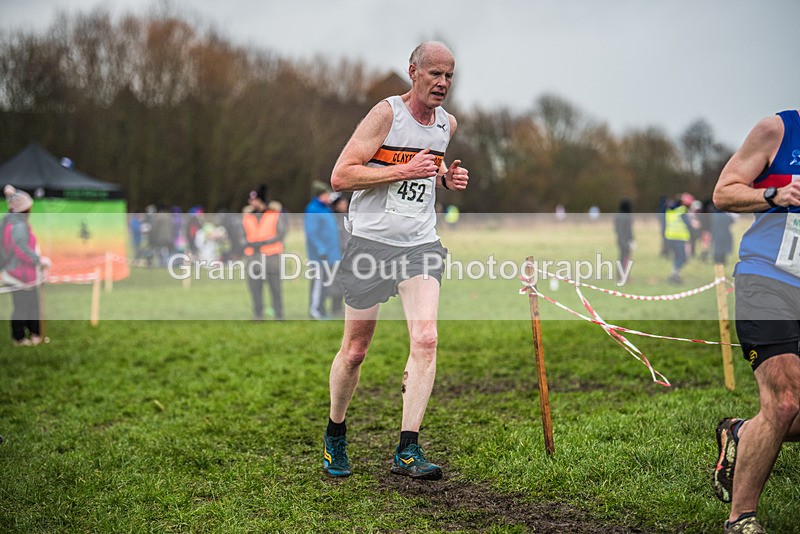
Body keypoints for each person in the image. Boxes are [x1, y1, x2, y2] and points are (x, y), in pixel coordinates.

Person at [321, 41, 469, 480]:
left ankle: (408, 449)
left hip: (419, 246)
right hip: (369, 245)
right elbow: (342, 174)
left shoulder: (448, 124)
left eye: (449, 76)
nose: (442, 83)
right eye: (434, 74)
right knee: (355, 352)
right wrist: (400, 171)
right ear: (413, 72)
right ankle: (335, 433)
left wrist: (447, 178)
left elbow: (429, 171)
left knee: (426, 338)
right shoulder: (386, 114)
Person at [711, 109, 800, 534]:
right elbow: (724, 192)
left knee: (790, 412)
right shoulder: (777, 130)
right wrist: (775, 196)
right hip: (767, 280)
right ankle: (741, 518)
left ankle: (742, 434)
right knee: (784, 402)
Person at [2, 185, 51, 346]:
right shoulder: (18, 226)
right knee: (24, 307)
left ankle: (33, 334)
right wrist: (39, 260)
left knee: (29, 305)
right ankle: (20, 337)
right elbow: (21, 250)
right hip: (20, 274)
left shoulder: (9, 223)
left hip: (20, 273)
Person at [242, 186, 287, 321]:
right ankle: (258, 314)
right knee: (255, 288)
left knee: (275, 288)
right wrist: (248, 243)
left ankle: (278, 314)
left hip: (271, 256)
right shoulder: (247, 217)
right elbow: (241, 235)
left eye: (254, 199)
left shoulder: (274, 215)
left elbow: (281, 233)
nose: (251, 202)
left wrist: (264, 242)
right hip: (253, 257)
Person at [304, 180, 341, 320]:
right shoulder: (313, 209)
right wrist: (321, 250)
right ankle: (315, 311)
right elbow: (311, 233)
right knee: (318, 285)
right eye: (327, 194)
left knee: (326, 285)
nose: (329, 197)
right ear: (320, 195)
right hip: (320, 257)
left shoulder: (326, 208)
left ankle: (322, 310)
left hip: (331, 255)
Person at [664, 192, 693, 284]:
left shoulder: (670, 210)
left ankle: (676, 274)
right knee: (683, 258)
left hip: (670, 237)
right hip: (680, 238)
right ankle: (675, 274)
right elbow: (688, 224)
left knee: (677, 257)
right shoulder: (682, 210)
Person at [614, 199, 634, 284]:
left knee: (621, 258)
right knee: (626, 259)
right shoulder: (628, 217)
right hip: (626, 241)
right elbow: (629, 231)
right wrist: (631, 240)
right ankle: (625, 276)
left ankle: (620, 275)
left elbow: (617, 230)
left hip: (619, 240)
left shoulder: (617, 216)